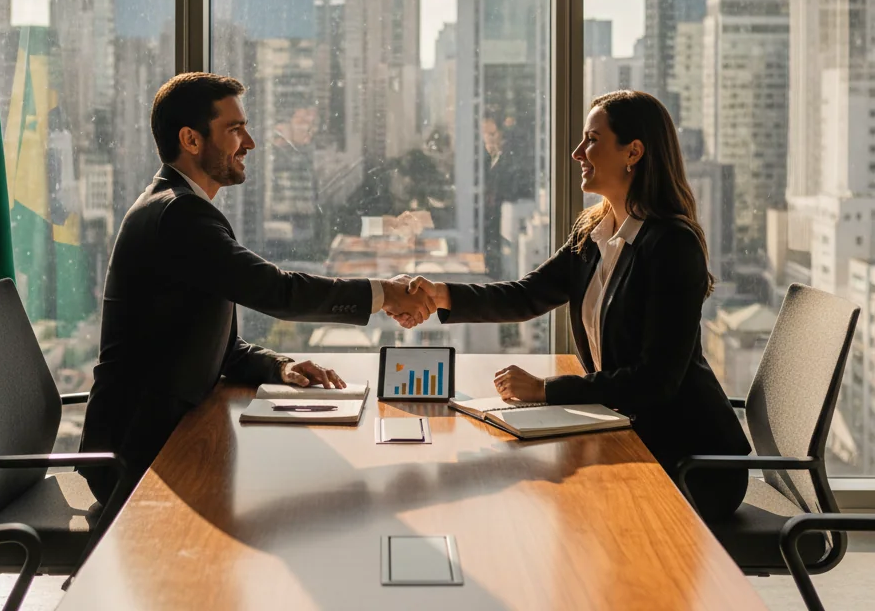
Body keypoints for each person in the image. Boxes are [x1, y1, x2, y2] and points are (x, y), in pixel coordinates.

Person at [79, 72, 434, 505]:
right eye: (234, 129)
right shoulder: (178, 216)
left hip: (172, 433)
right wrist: (384, 294)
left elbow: (217, 345)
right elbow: (278, 292)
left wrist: (278, 366)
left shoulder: (182, 209)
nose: (250, 143)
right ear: (191, 140)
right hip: (138, 458)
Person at [408, 90, 750, 521]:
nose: (577, 153)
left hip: (687, 459)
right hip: (626, 431)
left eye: (591, 140)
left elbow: (656, 382)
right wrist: (442, 294)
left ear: (633, 152)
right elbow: (526, 295)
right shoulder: (594, 231)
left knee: (550, 504)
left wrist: (546, 390)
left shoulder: (672, 246)